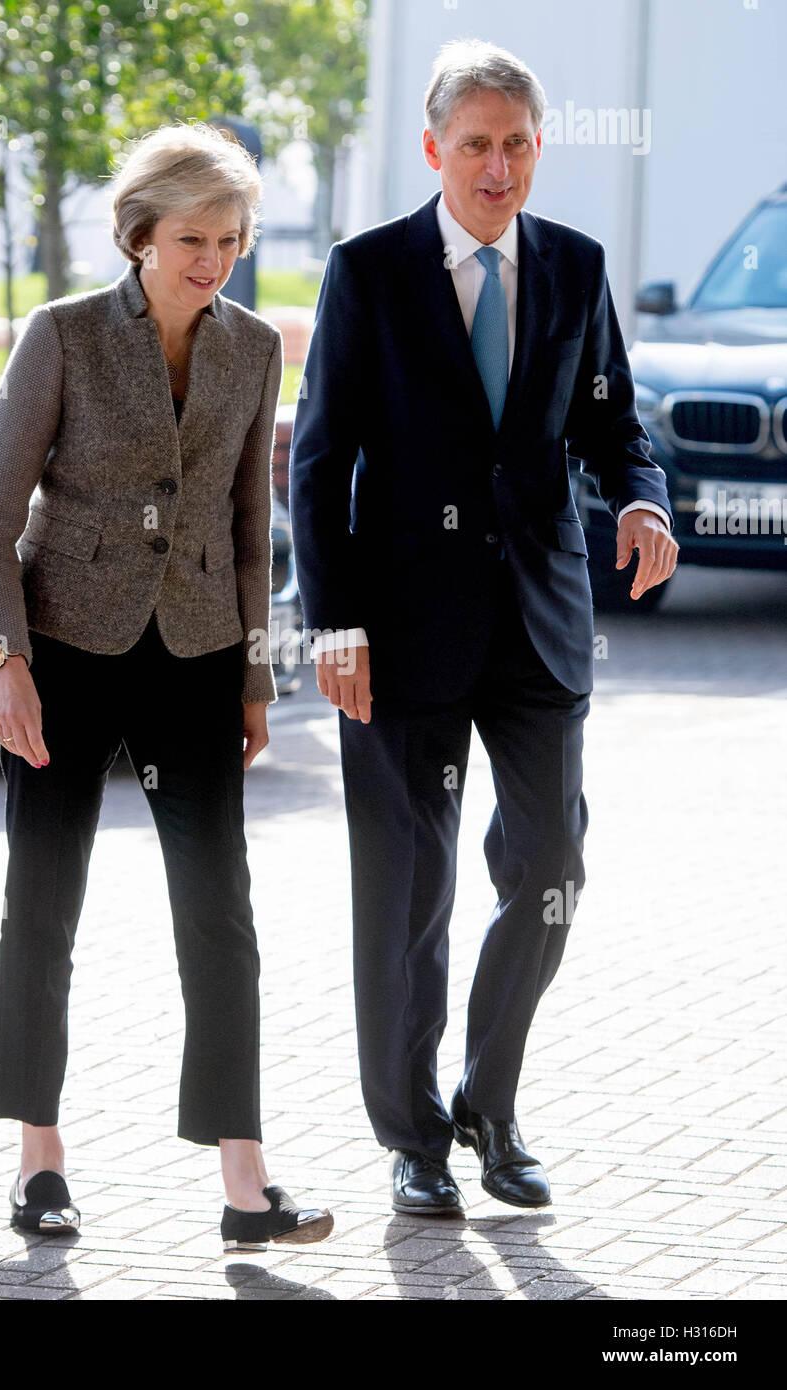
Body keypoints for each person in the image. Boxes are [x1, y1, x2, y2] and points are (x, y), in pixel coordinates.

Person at [290, 39, 678, 1215]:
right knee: (408, 885)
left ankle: (489, 1103)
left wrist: (646, 496)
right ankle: (411, 1137)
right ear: (432, 150)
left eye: (515, 144)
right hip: (398, 634)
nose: (497, 167)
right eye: (475, 145)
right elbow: (317, 464)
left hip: (542, 626)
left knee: (549, 865)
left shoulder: (572, 266)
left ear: (536, 148)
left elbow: (612, 426)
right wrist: (333, 621)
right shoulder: (367, 272)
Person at [0, 121, 332, 1251]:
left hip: (201, 655)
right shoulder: (62, 336)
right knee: (44, 907)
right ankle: (38, 1164)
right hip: (65, 651)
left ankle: (244, 1181)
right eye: (189, 239)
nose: (211, 260)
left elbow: (246, 525)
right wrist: (5, 661)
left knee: (220, 916)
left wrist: (258, 681)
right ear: (137, 237)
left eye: (228, 238)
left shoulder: (257, 346)